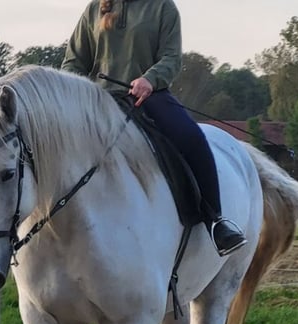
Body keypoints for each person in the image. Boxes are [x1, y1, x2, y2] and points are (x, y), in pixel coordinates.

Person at [61, 0, 247, 256]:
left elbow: (171, 58)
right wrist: (80, 90)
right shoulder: (95, 8)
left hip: (148, 97)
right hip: (98, 102)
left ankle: (215, 220)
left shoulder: (163, 7)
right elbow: (74, 61)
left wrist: (149, 79)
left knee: (191, 138)